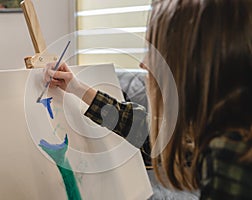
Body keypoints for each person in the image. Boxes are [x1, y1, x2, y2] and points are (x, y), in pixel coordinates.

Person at [43, 0, 252, 199]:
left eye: (156, 50)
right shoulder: (222, 132)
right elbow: (147, 131)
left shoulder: (231, 157)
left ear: (193, 65)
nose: (143, 63)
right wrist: (76, 88)